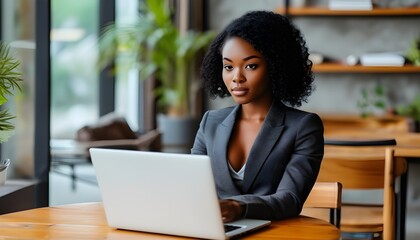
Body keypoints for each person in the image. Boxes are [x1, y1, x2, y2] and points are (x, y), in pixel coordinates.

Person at [191, 10, 324, 223]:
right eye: (228, 66)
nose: (237, 77)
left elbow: (290, 199)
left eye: (251, 66)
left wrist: (239, 207)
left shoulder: (304, 127)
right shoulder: (210, 122)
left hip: (272, 232)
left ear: (275, 66)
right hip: (216, 230)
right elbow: (192, 185)